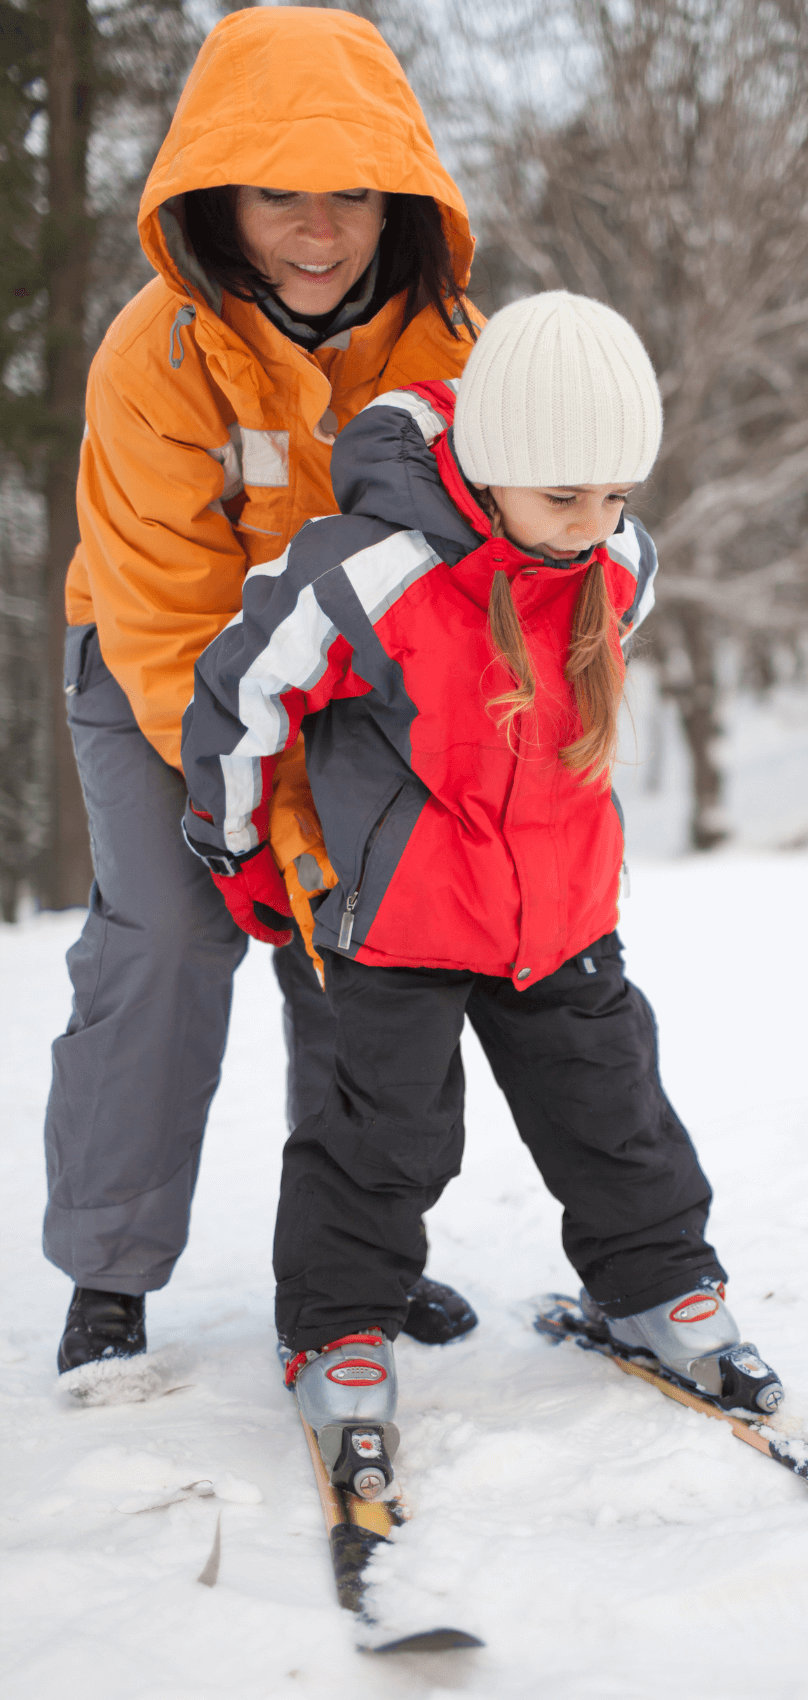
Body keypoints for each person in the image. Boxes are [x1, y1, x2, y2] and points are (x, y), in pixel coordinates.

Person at [179, 291, 784, 1498]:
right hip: (404, 922)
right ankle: (341, 1328)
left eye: (616, 494)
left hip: (561, 919)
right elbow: (240, 699)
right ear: (492, 463)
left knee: (615, 1114)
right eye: (565, 495)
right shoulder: (369, 571)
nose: (593, 525)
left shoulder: (614, 559)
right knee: (387, 1139)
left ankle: (660, 1289)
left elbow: (596, 638)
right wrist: (238, 846)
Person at [46, 7, 481, 1375]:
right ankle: (111, 1271)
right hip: (154, 674)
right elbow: (170, 618)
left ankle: (361, 1254)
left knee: (361, 946)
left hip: (359, 685)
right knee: (169, 940)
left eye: (351, 193)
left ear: (397, 197)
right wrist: (262, 809)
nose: (317, 229)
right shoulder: (153, 358)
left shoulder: (452, 353)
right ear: (214, 197)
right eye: (278, 192)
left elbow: (479, 563)